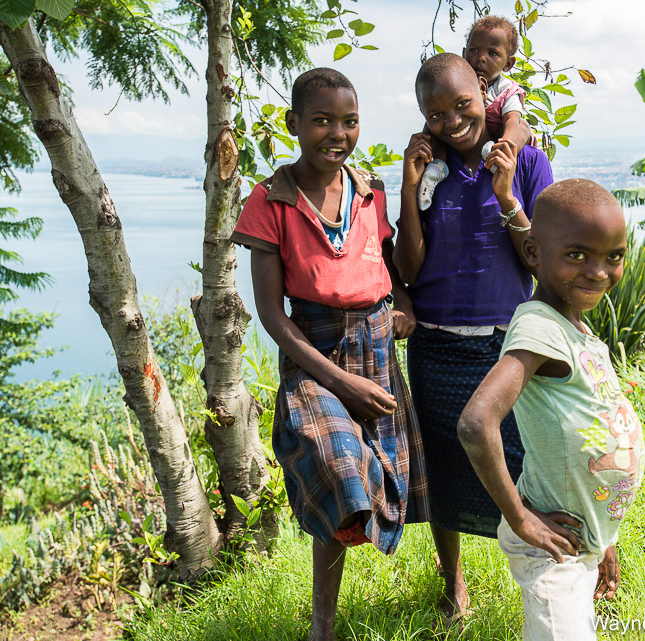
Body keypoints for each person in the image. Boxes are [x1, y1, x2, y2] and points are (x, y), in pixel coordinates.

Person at [229, 67, 429, 641]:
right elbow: (273, 316)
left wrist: (402, 306)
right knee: (339, 465)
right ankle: (323, 625)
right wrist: (343, 384)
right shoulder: (270, 202)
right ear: (294, 123)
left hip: (377, 346)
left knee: (394, 474)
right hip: (314, 354)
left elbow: (387, 267)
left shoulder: (368, 191)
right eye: (321, 121)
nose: (337, 134)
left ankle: (446, 587)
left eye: (349, 121)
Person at [393, 52, 553, 625]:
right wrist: (409, 188)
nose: (452, 121)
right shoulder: (428, 170)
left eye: (462, 105)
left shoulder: (527, 161)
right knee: (442, 468)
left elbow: (540, 262)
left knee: (529, 463)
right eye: (435, 113)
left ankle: (556, 569)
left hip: (506, 345)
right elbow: (407, 268)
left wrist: (507, 193)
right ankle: (453, 582)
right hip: (435, 347)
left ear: (484, 92)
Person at [457, 180, 645, 641]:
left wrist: (604, 541)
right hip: (551, 549)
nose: (598, 272)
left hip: (580, 539)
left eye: (613, 256)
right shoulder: (540, 326)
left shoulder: (572, 325)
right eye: (577, 255)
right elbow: (476, 423)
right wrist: (520, 519)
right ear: (533, 253)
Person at [417, 15, 533, 210]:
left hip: (499, 137)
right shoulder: (457, 85)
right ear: (464, 53)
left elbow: (512, 121)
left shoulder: (507, 90)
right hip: (467, 141)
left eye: (492, 53)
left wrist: (504, 145)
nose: (481, 58)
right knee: (435, 128)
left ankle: (501, 157)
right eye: (474, 50)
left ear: (508, 64)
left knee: (522, 127)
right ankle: (437, 168)